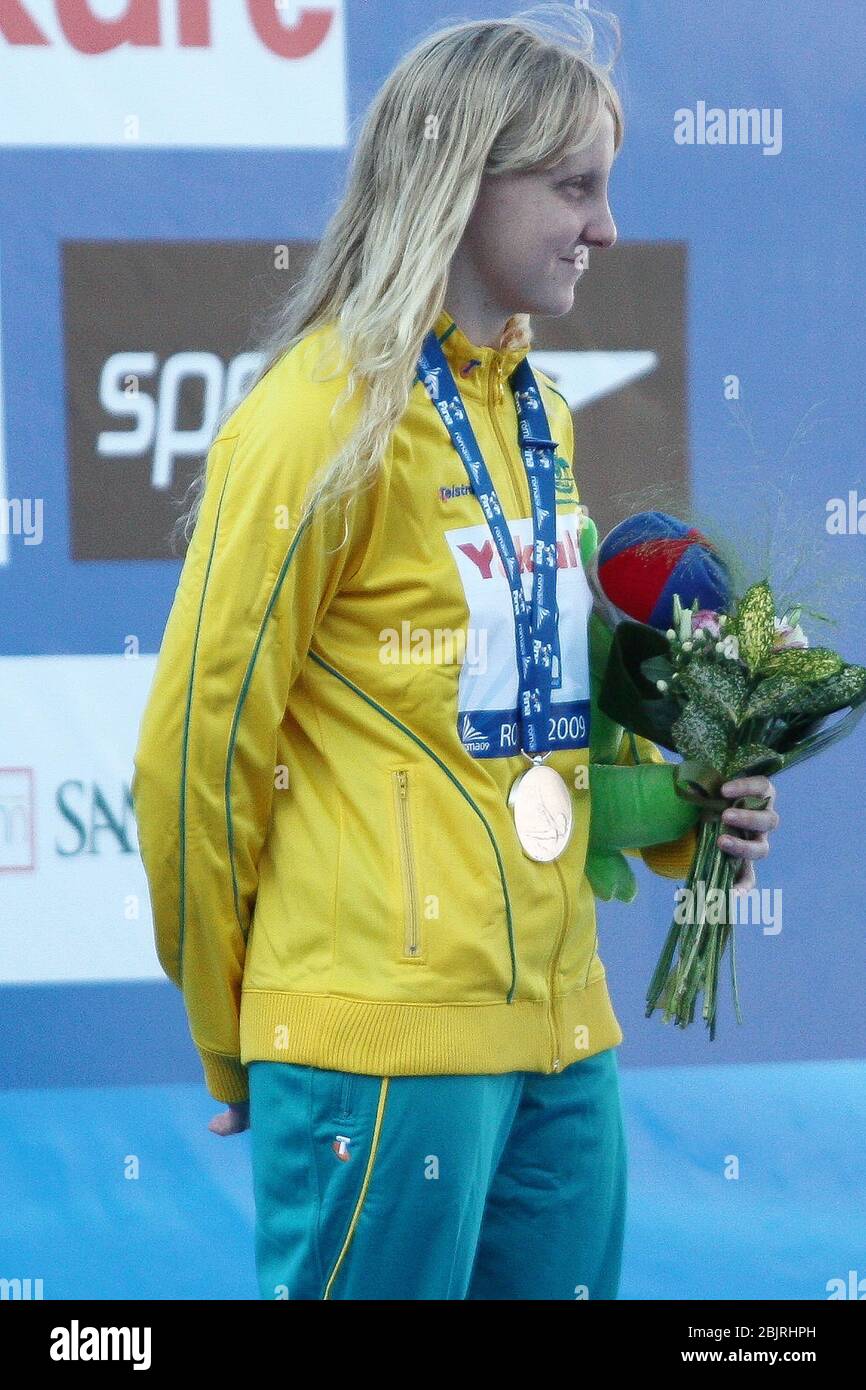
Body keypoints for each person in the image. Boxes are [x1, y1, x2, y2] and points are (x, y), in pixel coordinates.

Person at [131, 6, 780, 1300]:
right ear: (457, 180)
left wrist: (681, 801)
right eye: (572, 187)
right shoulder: (319, 414)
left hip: (560, 1041)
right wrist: (238, 1034)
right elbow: (194, 757)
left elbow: (525, 742)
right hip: (374, 1044)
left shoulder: (537, 410)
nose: (604, 227)